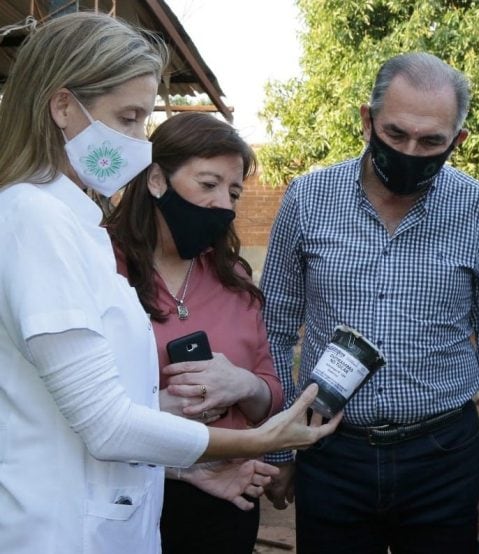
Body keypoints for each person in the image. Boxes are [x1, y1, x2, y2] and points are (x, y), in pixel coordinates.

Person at [0, 12, 338, 554]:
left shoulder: (73, 223)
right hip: (60, 528)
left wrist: (188, 467)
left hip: (113, 514)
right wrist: (255, 439)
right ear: (62, 106)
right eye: (128, 118)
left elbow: (110, 409)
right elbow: (107, 423)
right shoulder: (34, 219)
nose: (139, 142)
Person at [261, 51, 479, 552]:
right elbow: (273, 327)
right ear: (367, 121)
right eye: (395, 134)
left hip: (443, 457)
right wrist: (279, 448)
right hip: (329, 450)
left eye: (431, 142)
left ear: (458, 141)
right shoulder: (307, 199)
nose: (410, 151)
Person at [105, 112, 283, 554]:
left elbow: (270, 396)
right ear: (157, 180)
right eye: (208, 184)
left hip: (228, 494)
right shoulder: (100, 265)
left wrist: (244, 384)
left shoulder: (233, 277)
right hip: (126, 495)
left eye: (234, 192)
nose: (223, 203)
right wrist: (158, 410)